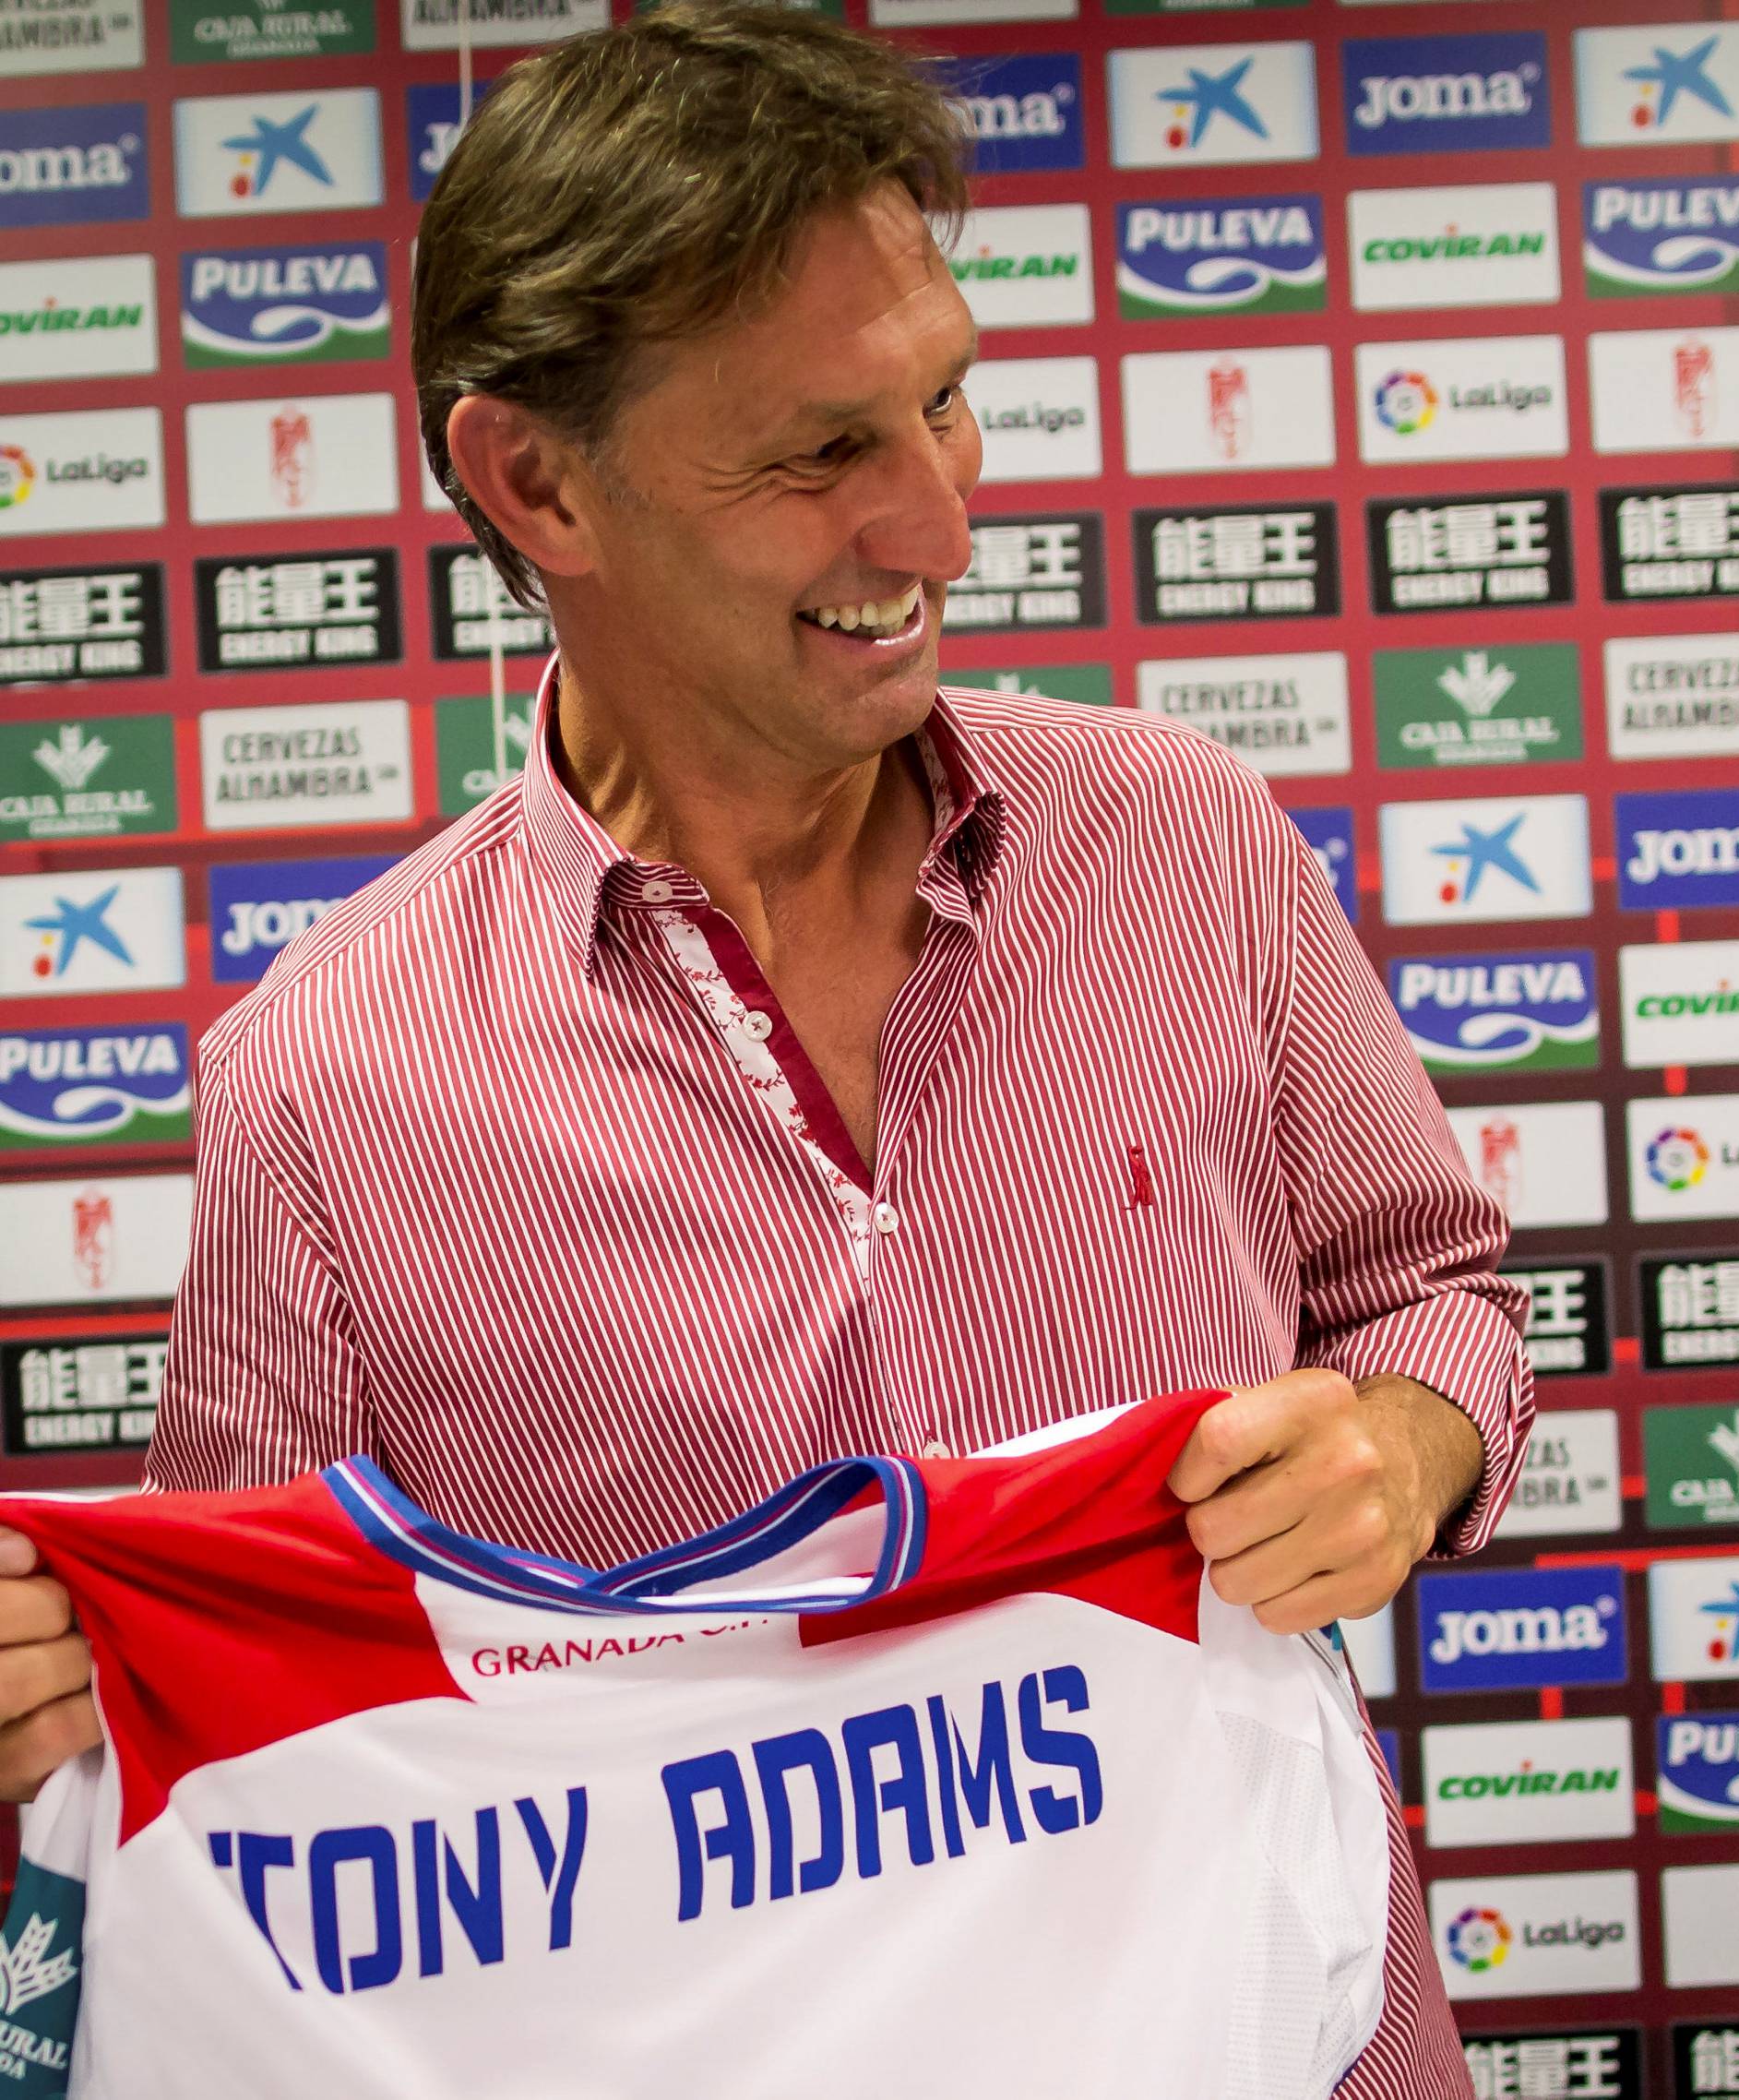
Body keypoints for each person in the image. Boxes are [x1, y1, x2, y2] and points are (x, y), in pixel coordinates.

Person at [0, 8, 1530, 2094]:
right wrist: (70, 1685)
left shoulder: (1186, 841)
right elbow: (255, 1723)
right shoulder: (320, 1073)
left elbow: (1434, 1293)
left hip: (1281, 2034)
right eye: (822, 453)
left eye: (949, 407)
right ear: (536, 481)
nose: (938, 527)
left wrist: (1410, 1445)